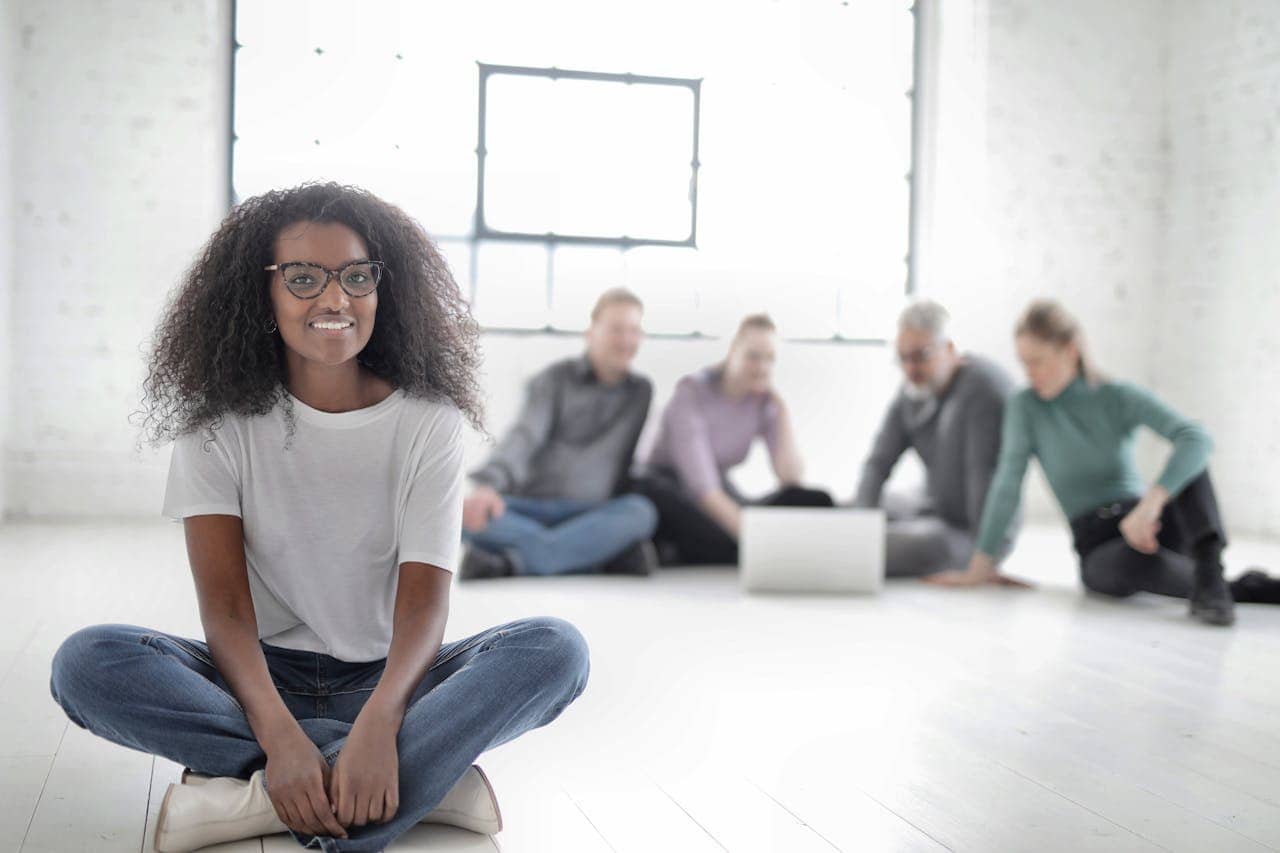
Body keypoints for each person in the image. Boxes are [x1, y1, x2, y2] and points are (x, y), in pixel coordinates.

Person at [48, 184, 590, 853]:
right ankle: (420, 782)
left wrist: (382, 719)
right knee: (86, 663)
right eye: (303, 278)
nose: (335, 300)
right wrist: (278, 734)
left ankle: (263, 797)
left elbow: (424, 604)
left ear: (382, 288)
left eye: (356, 276)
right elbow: (225, 610)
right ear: (262, 294)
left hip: (392, 677)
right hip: (256, 679)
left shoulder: (429, 422)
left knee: (556, 649)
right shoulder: (217, 428)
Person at [929, 298, 1280, 623]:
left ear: (1070, 351)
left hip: (1148, 521)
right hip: (1101, 547)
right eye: (1023, 363)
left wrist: (1150, 504)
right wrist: (980, 565)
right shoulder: (1026, 407)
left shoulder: (1116, 395)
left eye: (1038, 362)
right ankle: (1227, 586)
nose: (1029, 373)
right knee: (1128, 565)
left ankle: (1209, 571)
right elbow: (1007, 482)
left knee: (1192, 460)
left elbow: (1196, 437)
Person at [459, 287, 658, 579]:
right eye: (616, 329)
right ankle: (590, 556)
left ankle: (510, 563)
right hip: (527, 508)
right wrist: (488, 484)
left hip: (590, 513)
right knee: (460, 516)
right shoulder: (553, 380)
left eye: (634, 331)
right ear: (591, 333)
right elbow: (524, 436)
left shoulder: (641, 392)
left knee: (642, 513)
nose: (626, 340)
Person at [637, 314, 833, 565]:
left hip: (719, 487)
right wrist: (756, 542)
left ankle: (696, 549)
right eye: (753, 356)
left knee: (813, 501)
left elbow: (790, 478)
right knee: (716, 530)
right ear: (732, 352)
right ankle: (690, 548)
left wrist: (780, 411)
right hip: (669, 486)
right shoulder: (690, 394)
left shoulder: (763, 402)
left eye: (769, 359)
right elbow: (703, 488)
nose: (762, 367)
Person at [852, 299, 1021, 577]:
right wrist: (861, 520)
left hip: (970, 532)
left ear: (949, 349)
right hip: (931, 506)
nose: (910, 368)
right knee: (854, 506)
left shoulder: (982, 390)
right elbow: (878, 463)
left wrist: (984, 559)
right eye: (903, 358)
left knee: (894, 546)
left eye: (921, 356)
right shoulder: (913, 392)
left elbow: (984, 477)